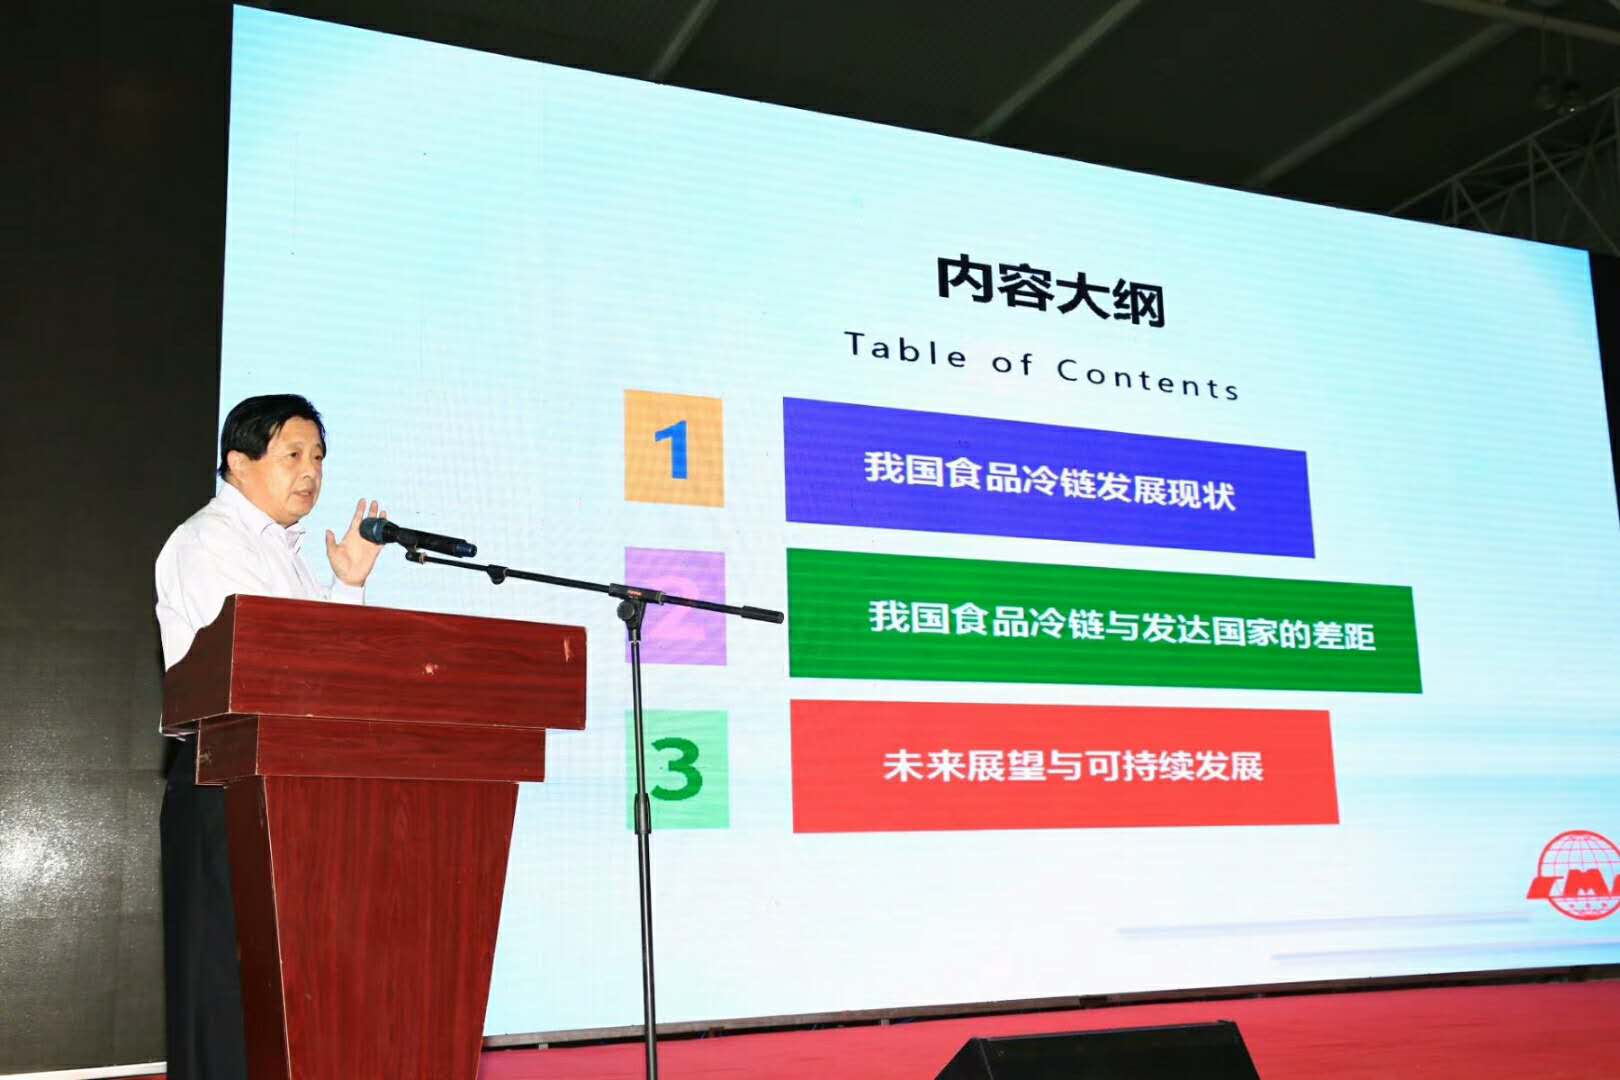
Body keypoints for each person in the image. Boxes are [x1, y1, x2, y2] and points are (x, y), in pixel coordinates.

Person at [153, 394, 386, 1079]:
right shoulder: (207, 542)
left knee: (284, 992)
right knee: (224, 992)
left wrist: (348, 586)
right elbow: (261, 662)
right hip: (225, 780)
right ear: (239, 462)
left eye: (318, 457)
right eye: (293, 455)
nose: (311, 471)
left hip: (286, 783)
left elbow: (327, 675)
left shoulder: (290, 554)